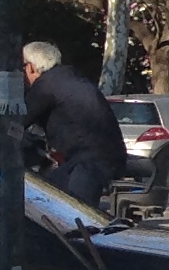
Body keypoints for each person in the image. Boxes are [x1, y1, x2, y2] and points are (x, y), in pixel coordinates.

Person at [20, 43, 121, 205]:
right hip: (104, 156)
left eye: (23, 67)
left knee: (73, 211)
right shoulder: (70, 78)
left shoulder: (45, 86)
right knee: (48, 191)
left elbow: (18, 122)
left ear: (31, 67)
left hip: (88, 163)